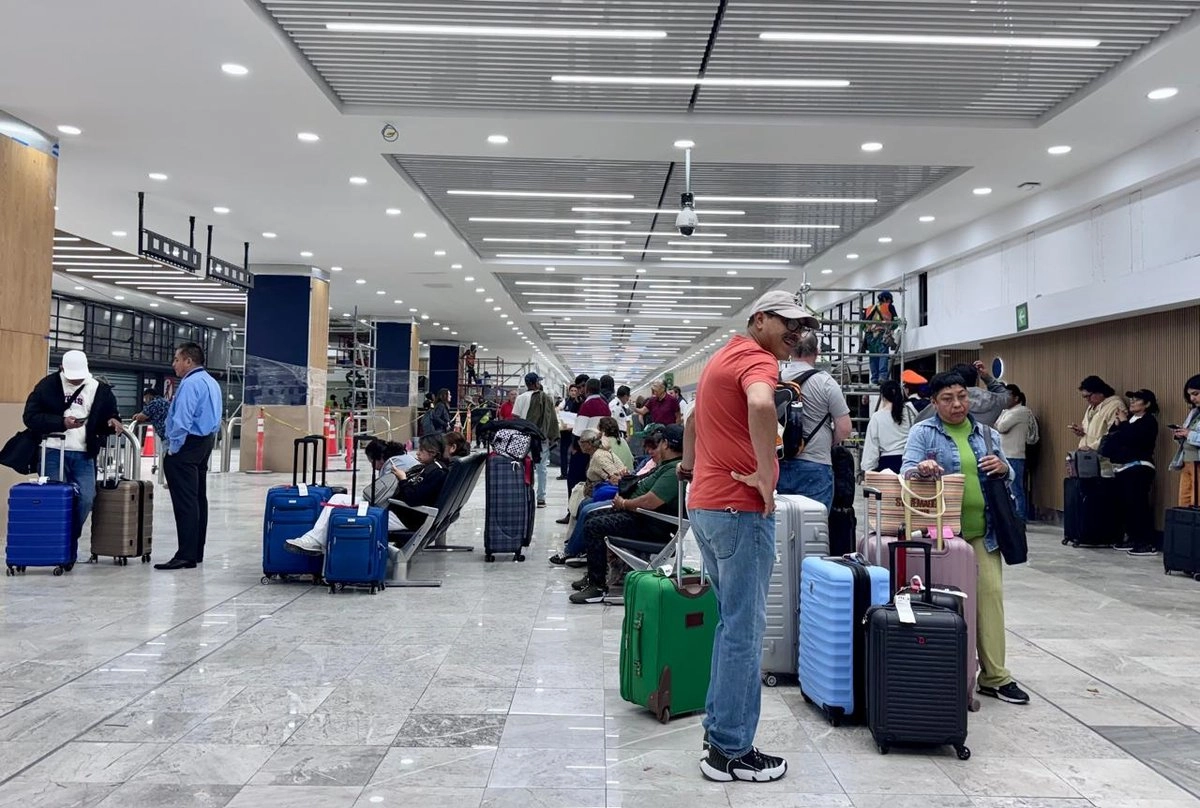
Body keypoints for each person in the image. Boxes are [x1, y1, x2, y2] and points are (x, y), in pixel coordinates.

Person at [684, 289, 813, 784]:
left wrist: (692, 468)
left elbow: (692, 421)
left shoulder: (723, 356)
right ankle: (731, 750)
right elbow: (761, 403)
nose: (796, 333)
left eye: (801, 326)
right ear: (759, 320)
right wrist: (763, 472)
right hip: (739, 510)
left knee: (730, 625)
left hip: (708, 506)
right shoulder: (759, 361)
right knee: (744, 630)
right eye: (787, 323)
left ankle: (719, 735)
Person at [902, 371, 1030, 706]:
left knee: (990, 598)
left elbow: (1008, 472)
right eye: (948, 398)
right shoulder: (923, 432)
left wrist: (1003, 468)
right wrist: (921, 469)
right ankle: (943, 673)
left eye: (962, 396)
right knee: (944, 604)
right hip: (942, 536)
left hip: (984, 533)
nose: (958, 404)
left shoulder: (987, 433)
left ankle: (995, 677)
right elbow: (906, 471)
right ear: (934, 402)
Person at [570, 424, 685, 604]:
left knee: (594, 525)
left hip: (649, 524)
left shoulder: (672, 471)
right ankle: (594, 576)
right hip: (642, 517)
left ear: (665, 444)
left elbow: (651, 501)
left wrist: (624, 504)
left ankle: (597, 587)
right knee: (591, 516)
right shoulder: (667, 466)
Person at [22, 350, 122, 544]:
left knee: (86, 498)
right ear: (61, 368)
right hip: (52, 450)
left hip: (84, 452)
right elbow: (30, 417)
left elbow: (110, 415)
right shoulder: (47, 385)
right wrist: (62, 423)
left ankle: (68, 537)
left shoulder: (99, 389)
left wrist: (112, 422)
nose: (76, 380)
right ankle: (57, 543)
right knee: (54, 498)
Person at [286, 434, 449, 554]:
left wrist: (402, 479)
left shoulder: (435, 472)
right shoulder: (431, 468)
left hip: (399, 514)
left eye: (421, 450)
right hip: (396, 509)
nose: (417, 453)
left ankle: (314, 541)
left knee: (338, 504)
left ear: (432, 452)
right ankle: (314, 541)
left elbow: (413, 498)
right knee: (337, 499)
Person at [156, 343, 223, 570]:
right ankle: (195, 551)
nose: (173, 364)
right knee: (197, 499)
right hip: (205, 442)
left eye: (177, 359)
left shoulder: (189, 384)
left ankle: (185, 554)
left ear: (188, 361)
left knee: (185, 501)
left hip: (187, 445)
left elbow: (182, 420)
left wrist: (174, 448)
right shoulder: (210, 382)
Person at [777, 331, 852, 511]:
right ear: (817, 352)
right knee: (813, 524)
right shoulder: (826, 382)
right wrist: (829, 441)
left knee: (780, 523)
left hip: (778, 464)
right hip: (816, 464)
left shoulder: (776, 379)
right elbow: (845, 428)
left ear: (791, 350)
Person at [1101, 389, 1160, 556]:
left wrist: (1124, 423)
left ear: (1147, 404)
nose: (1132, 402)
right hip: (1123, 467)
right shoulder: (1129, 421)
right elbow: (1113, 439)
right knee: (1126, 505)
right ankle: (1132, 537)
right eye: (1131, 399)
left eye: (1137, 400)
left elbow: (1133, 439)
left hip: (1140, 467)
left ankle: (1146, 542)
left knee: (1138, 504)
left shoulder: (1148, 421)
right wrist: (1117, 424)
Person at [514, 372, 559, 508]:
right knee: (542, 468)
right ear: (535, 384)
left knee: (524, 466)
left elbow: (516, 418)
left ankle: (524, 495)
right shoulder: (546, 398)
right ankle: (541, 498)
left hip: (524, 437)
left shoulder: (520, 398)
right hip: (540, 438)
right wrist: (553, 436)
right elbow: (552, 419)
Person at [995, 384, 1037, 520]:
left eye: (1008, 396)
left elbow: (1001, 426)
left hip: (1015, 455)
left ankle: (1020, 518)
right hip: (1005, 455)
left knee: (1016, 488)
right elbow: (995, 424)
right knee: (1007, 489)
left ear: (1016, 398)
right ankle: (1012, 518)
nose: (1005, 399)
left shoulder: (1021, 411)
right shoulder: (1006, 411)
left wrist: (999, 419)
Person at [861, 380, 915, 474]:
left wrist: (868, 469)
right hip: (908, 461)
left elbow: (871, 447)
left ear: (882, 396)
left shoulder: (877, 417)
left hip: (886, 464)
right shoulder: (910, 412)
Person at [1170, 375, 1200, 506]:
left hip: (1197, 461)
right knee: (1185, 499)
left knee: (1196, 500)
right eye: (1190, 395)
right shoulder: (1194, 412)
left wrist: (1189, 434)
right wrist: (1181, 434)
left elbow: (1192, 434)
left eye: (1196, 394)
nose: (1192, 398)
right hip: (1187, 460)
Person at [862, 290, 899, 385]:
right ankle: (882, 377)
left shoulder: (869, 308)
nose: (890, 302)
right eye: (889, 300)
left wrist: (870, 330)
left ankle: (874, 378)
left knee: (873, 357)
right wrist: (891, 329)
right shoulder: (889, 306)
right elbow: (896, 322)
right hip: (882, 334)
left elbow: (862, 326)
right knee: (883, 355)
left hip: (870, 336)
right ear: (886, 299)